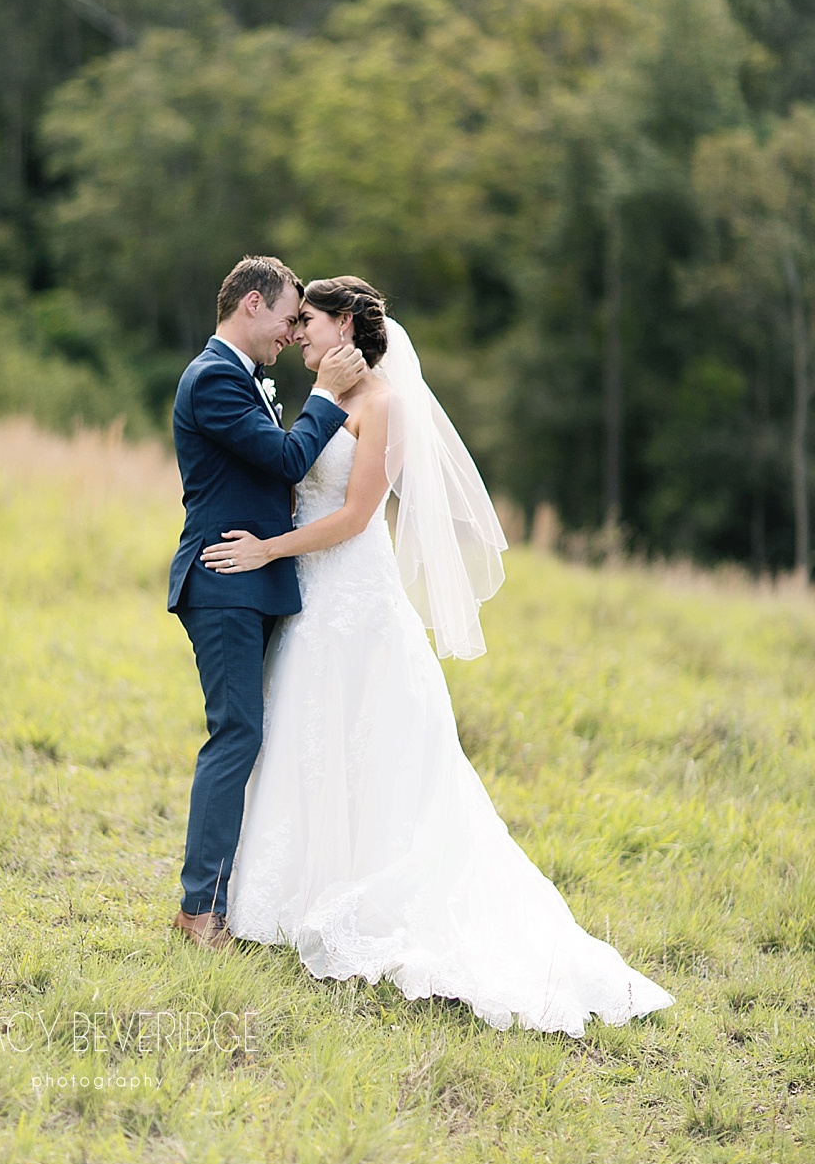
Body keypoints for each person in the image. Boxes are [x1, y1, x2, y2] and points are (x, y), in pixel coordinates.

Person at [200, 275, 674, 1034]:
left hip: (355, 599)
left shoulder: (384, 404)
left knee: (368, 746)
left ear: (346, 324)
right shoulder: (324, 393)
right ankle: (293, 890)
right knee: (306, 738)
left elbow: (356, 517)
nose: (300, 335)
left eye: (312, 322)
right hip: (313, 605)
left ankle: (371, 896)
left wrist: (267, 550)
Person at [168, 256, 365, 950]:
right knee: (237, 735)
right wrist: (330, 399)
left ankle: (223, 898)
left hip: (254, 583)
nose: (291, 333)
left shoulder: (243, 376)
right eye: (288, 317)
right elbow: (285, 461)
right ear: (252, 304)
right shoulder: (216, 376)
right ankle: (199, 911)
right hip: (224, 581)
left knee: (253, 734)